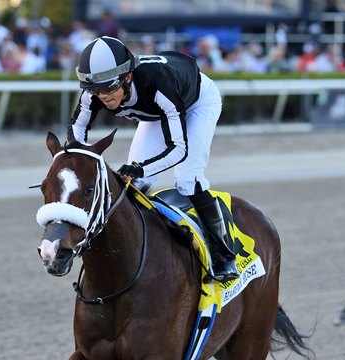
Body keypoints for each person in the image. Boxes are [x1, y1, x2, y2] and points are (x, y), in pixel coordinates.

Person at [68, 36, 239, 282]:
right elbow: (76, 133)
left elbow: (178, 150)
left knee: (188, 178)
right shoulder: (95, 93)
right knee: (134, 187)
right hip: (157, 113)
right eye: (94, 89)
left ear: (127, 77)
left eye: (108, 87)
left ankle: (225, 257)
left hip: (196, 103)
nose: (102, 96)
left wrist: (139, 168)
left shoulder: (159, 84)